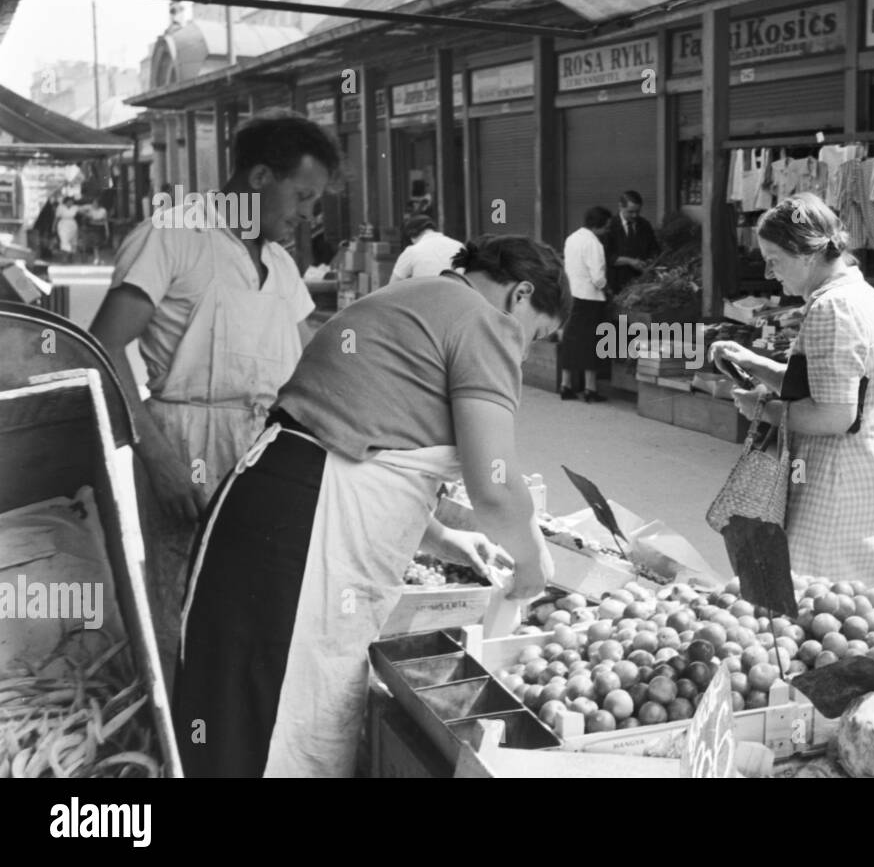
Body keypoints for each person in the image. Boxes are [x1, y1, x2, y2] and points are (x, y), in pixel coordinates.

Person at [172, 235, 567, 777]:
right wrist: (530, 561)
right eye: (537, 336)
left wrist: (444, 538)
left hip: (269, 506)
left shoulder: (412, 298)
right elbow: (495, 486)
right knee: (277, 724)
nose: (525, 352)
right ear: (521, 294)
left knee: (229, 710)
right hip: (302, 539)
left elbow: (364, 443)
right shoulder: (484, 321)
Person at [89, 110, 339, 691]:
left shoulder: (278, 263)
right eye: (301, 196)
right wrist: (157, 458)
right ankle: (178, 740)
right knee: (181, 606)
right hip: (184, 445)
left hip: (263, 450)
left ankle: (232, 738)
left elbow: (311, 366)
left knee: (251, 607)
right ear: (257, 177)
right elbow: (102, 346)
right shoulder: (173, 236)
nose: (307, 215)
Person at [709, 193, 874, 602]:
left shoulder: (832, 309)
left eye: (774, 259)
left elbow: (835, 414)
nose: (770, 273)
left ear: (804, 254)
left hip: (845, 487)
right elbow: (830, 382)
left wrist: (762, 409)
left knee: (824, 613)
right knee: (864, 622)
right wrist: (756, 364)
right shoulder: (860, 296)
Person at [560, 206, 612, 402]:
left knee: (571, 339)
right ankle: (590, 389)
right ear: (598, 225)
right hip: (590, 298)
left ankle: (565, 385)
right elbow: (598, 277)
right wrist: (607, 288)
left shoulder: (571, 238)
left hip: (572, 295)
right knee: (591, 343)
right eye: (606, 226)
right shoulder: (594, 244)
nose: (607, 230)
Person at [604, 189, 660, 294]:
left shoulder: (645, 225)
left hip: (641, 283)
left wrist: (649, 262)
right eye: (631, 212)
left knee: (637, 310)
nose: (635, 215)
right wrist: (630, 261)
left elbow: (654, 249)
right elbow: (606, 256)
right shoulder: (609, 226)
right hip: (617, 284)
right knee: (622, 311)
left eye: (638, 212)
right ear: (620, 206)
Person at [390, 213, 464, 281]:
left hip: (425, 294)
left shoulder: (412, 251)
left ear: (412, 236)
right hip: (459, 293)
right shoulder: (459, 246)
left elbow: (392, 287)